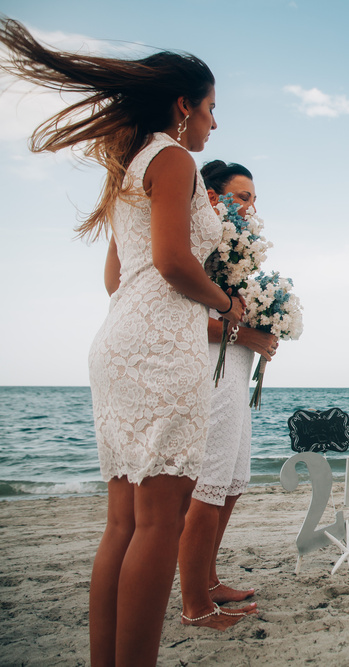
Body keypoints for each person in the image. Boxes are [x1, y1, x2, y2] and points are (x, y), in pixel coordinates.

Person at [0, 18, 248, 666]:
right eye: (211, 109)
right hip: (161, 345)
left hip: (117, 339)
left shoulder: (127, 168)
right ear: (182, 105)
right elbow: (170, 260)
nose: (214, 125)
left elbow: (116, 275)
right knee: (159, 523)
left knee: (123, 523)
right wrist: (225, 303)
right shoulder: (172, 158)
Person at [177, 161, 278, 629]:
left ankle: (210, 578)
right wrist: (248, 336)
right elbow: (184, 319)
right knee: (209, 485)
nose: (250, 205)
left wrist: (266, 325)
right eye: (241, 196)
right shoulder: (201, 244)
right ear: (212, 197)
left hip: (234, 371)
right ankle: (195, 603)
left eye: (253, 197)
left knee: (233, 483)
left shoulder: (238, 251)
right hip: (210, 372)